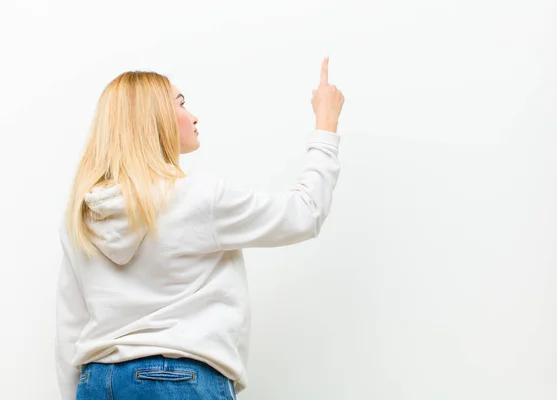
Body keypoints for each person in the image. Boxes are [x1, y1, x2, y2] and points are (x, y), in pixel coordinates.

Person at [55, 57, 345, 399]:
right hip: (179, 381)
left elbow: (70, 325)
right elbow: (304, 213)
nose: (192, 115)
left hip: (96, 382)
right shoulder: (196, 197)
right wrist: (326, 125)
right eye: (180, 103)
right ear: (155, 120)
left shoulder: (83, 213)